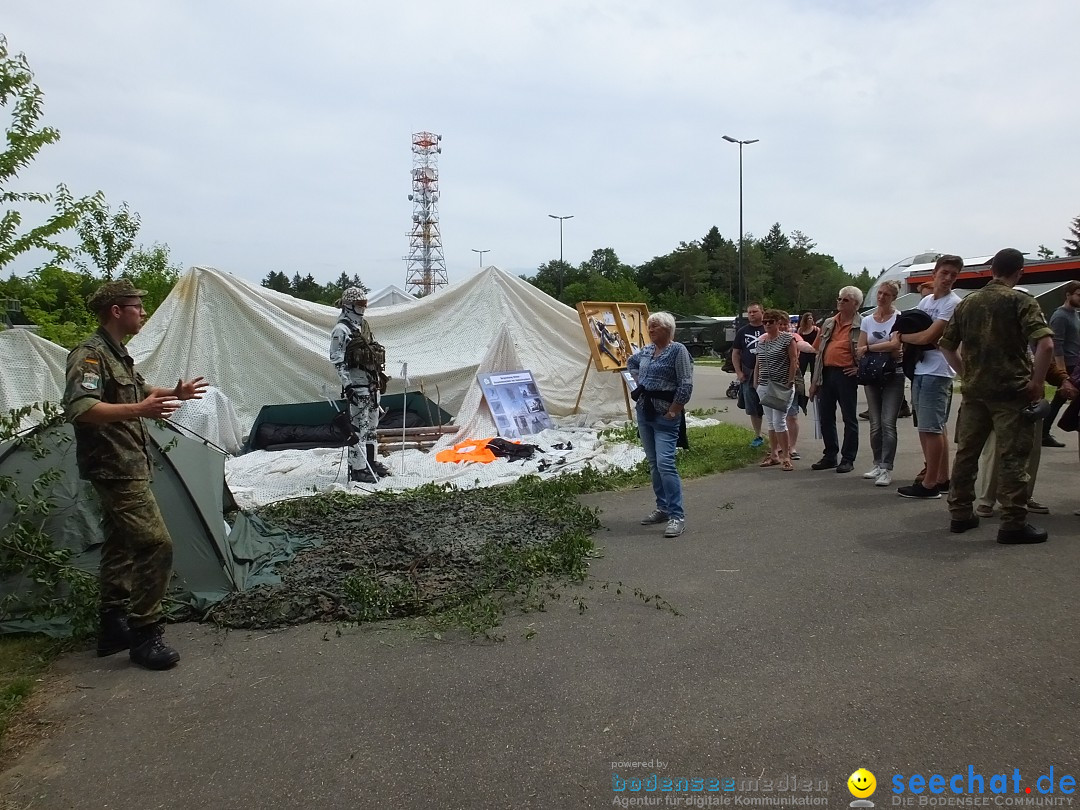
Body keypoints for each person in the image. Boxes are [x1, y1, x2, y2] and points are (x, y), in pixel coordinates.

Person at [63, 279, 209, 670]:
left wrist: (174, 393)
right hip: (114, 466)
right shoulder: (90, 355)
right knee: (155, 544)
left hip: (127, 463)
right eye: (137, 306)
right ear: (116, 311)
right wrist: (140, 412)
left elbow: (139, 391)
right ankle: (145, 634)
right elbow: (82, 408)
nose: (143, 312)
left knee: (120, 544)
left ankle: (113, 626)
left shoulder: (117, 355)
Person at [940, 248, 1054, 544]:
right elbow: (1046, 346)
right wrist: (1038, 382)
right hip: (1011, 391)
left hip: (976, 392)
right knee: (1012, 456)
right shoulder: (1021, 301)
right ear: (1019, 272)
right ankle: (1013, 523)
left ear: (992, 270)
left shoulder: (968, 303)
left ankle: (960, 513)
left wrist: (965, 373)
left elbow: (946, 345)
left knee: (967, 453)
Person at [897, 255, 963, 499]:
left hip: (938, 371)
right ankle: (942, 478)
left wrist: (903, 338)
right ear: (934, 273)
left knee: (930, 428)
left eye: (953, 275)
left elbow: (927, 337)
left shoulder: (952, 303)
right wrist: (912, 336)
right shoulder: (926, 302)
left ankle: (929, 483)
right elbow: (917, 332)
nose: (947, 279)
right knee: (932, 428)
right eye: (944, 273)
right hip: (921, 369)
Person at [627, 312, 693, 538]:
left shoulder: (678, 350)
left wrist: (675, 408)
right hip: (645, 411)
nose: (651, 330)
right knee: (654, 463)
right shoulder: (646, 350)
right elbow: (631, 361)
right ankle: (663, 507)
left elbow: (686, 382)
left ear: (667, 329)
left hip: (666, 413)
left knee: (666, 463)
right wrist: (640, 381)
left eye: (655, 326)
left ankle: (677, 516)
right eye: (649, 327)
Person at [329, 287, 391, 483]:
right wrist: (347, 386)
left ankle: (370, 463)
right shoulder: (341, 330)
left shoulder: (363, 327)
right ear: (349, 305)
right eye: (360, 304)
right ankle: (358, 469)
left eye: (365, 304)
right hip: (357, 387)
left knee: (372, 427)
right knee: (358, 429)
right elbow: (337, 360)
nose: (363, 308)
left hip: (372, 385)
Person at [809, 286, 863, 473]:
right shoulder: (829, 323)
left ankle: (848, 458)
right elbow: (818, 351)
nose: (840, 302)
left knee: (849, 418)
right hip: (827, 373)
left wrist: (859, 369)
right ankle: (830, 455)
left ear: (856, 304)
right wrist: (814, 381)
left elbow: (868, 350)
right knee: (826, 416)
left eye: (845, 300)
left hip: (846, 375)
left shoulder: (862, 324)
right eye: (839, 299)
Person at [856, 280, 904, 487]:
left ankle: (887, 467)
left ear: (893, 297)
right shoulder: (868, 320)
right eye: (880, 293)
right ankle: (877, 463)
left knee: (888, 422)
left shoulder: (898, 318)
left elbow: (896, 345)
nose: (881, 297)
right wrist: (882, 348)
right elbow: (859, 347)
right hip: (872, 374)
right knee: (875, 424)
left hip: (894, 373)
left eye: (886, 294)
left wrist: (870, 348)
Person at [753, 309, 799, 471]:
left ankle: (786, 456)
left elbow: (794, 360)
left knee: (780, 421)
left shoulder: (787, 339)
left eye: (770, 322)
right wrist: (756, 382)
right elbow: (758, 363)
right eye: (764, 322)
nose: (766, 325)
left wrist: (790, 380)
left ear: (778, 323)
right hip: (764, 385)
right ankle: (774, 454)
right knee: (771, 422)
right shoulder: (762, 342)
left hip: (780, 385)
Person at [1042, 280, 1080, 447]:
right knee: (1062, 398)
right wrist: (1061, 370)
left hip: (1075, 362)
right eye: (1078, 295)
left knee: (1059, 399)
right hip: (1066, 364)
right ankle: (1065, 423)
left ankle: (1044, 431)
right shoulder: (1060, 315)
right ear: (1068, 295)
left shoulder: (1076, 314)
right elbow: (1056, 343)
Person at [731, 303, 766, 448]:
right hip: (748, 372)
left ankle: (777, 436)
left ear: (762, 312)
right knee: (752, 406)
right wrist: (739, 372)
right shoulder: (743, 331)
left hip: (767, 373)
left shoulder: (768, 328)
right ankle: (758, 436)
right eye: (749, 312)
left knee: (772, 405)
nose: (752, 314)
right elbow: (735, 353)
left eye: (755, 311)